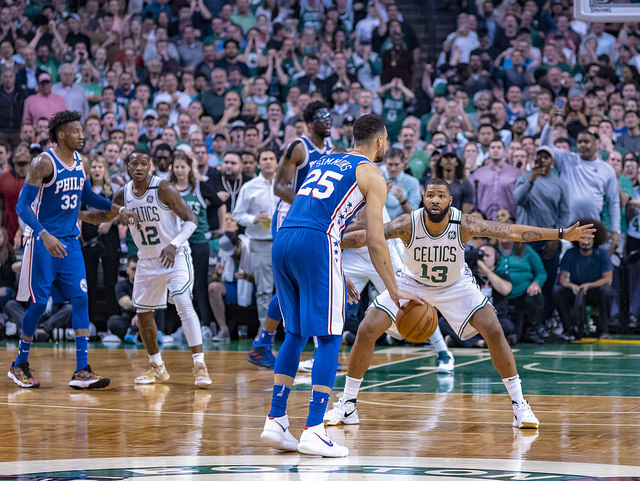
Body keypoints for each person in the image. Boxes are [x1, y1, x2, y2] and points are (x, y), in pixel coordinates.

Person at [325, 178, 595, 430]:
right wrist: (330, 239)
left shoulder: (464, 224)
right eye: (430, 195)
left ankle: (519, 405)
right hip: (412, 283)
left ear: (450, 201)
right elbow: (365, 237)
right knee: (367, 329)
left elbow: (511, 231)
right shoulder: (407, 223)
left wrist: (561, 233)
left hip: (455, 285)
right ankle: (347, 404)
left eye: (441, 196)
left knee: (494, 330)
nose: (435, 200)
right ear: (423, 198)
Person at [260, 114, 422, 457]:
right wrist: (394, 290)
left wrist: (337, 271)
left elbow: (315, 215)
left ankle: (276, 420)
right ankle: (314, 429)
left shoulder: (323, 160)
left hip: (284, 239)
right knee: (330, 336)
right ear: (380, 140)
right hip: (317, 244)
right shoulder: (372, 175)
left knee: (294, 334)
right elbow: (375, 241)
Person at [10, 110, 138, 389]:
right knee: (38, 304)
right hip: (43, 242)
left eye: (82, 131)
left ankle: (82, 370)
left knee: (81, 299)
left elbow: (87, 196)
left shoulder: (82, 161)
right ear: (61, 135)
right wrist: (43, 234)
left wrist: (117, 210)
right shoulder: (43, 163)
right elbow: (22, 206)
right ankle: (19, 364)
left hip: (70, 242)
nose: (82, 135)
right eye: (76, 131)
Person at [83, 150, 213, 388]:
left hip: (175, 256)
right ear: (128, 168)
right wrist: (76, 214)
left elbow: (191, 220)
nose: (139, 168)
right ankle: (157, 367)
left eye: (144, 164)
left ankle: (199, 364)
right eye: (134, 164)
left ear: (151, 166)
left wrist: (174, 244)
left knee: (182, 300)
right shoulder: (124, 193)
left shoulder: (164, 188)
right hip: (147, 261)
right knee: (143, 314)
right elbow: (104, 215)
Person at [246, 101, 332, 369]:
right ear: (310, 123)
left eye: (330, 116)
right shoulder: (299, 147)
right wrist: (305, 205)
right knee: (295, 280)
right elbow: (279, 187)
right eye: (322, 117)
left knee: (300, 282)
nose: (328, 120)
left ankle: (262, 344)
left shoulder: (330, 150)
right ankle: (268, 344)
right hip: (289, 216)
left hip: (312, 219)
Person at [232, 149, 278, 341]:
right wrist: (253, 219)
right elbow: (237, 215)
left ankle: (292, 330)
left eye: (271, 159)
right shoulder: (249, 187)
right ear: (258, 164)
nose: (268, 162)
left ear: (277, 162)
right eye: (264, 159)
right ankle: (266, 332)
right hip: (260, 242)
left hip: (284, 240)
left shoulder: (285, 185)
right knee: (264, 290)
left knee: (290, 288)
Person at [170, 151, 216, 339]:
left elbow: (219, 202)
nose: (180, 170)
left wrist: (220, 227)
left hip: (198, 241)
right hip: (177, 243)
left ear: (189, 168)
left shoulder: (199, 186)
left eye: (183, 166)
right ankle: (183, 326)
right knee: (179, 287)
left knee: (199, 285)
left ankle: (205, 325)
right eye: (177, 167)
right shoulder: (168, 188)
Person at [553, 218, 614, 340]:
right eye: (582, 237)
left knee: (607, 291)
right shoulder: (570, 253)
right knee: (557, 291)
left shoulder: (602, 254)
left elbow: (608, 279)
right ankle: (568, 329)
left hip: (594, 291)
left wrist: (589, 285)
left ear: (595, 239)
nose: (586, 241)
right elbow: (563, 279)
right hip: (576, 291)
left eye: (589, 237)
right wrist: (572, 286)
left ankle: (603, 330)